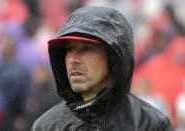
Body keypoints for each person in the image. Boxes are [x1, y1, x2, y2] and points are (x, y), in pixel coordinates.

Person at [31, 7, 173, 130]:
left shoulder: (150, 125)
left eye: (86, 49)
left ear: (113, 59)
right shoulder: (46, 126)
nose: (73, 60)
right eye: (69, 49)